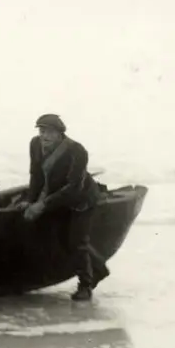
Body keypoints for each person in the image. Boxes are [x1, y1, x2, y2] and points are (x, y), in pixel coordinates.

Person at [15, 114, 110, 301]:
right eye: (41, 131)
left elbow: (74, 187)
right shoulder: (34, 145)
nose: (44, 136)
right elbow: (35, 174)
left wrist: (42, 205)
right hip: (55, 195)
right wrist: (31, 200)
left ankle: (86, 285)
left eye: (49, 132)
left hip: (81, 199)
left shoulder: (77, 151)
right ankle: (98, 269)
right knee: (55, 234)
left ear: (60, 135)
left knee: (76, 241)